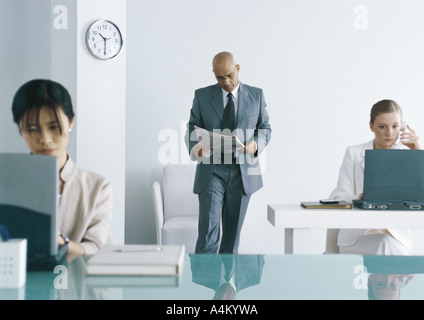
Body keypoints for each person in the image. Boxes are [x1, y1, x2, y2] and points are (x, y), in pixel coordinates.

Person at [11, 79, 112, 256]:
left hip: (73, 280)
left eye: (53, 127)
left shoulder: (97, 187)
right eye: (32, 129)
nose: (45, 139)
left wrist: (61, 243)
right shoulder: (8, 181)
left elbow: (95, 248)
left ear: (70, 121)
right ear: (20, 129)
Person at [186, 51, 271, 253]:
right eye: (219, 78)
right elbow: (192, 128)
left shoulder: (256, 95)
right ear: (214, 74)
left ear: (237, 69)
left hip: (242, 173)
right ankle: (204, 284)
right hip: (212, 170)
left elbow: (265, 128)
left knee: (232, 237)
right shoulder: (202, 96)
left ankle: (226, 284)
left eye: (229, 76)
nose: (225, 82)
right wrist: (196, 148)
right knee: (208, 234)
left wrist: (255, 144)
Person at [329, 99, 422, 255]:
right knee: (384, 246)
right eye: (382, 127)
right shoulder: (354, 153)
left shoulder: (407, 156)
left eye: (395, 126)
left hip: (396, 237)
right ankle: (393, 278)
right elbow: (339, 196)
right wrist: (359, 197)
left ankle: (389, 278)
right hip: (357, 236)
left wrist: (418, 153)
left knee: (387, 244)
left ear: (402, 127)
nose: (390, 133)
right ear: (371, 126)